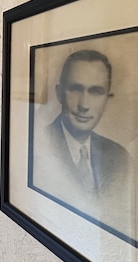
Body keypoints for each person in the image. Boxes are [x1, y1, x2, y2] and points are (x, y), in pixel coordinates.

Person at [32, 49, 135, 239]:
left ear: (106, 100)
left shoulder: (120, 158)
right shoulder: (36, 146)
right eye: (76, 89)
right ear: (60, 93)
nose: (84, 104)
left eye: (95, 92)